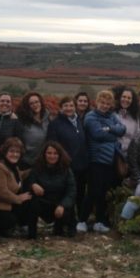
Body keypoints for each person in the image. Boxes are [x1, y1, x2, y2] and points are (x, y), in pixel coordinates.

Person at [81, 90, 126, 234]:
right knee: (93, 191)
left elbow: (122, 129)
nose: (105, 106)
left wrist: (109, 129)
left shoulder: (112, 116)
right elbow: (97, 134)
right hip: (96, 159)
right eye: (102, 103)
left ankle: (99, 221)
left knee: (103, 192)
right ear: (97, 102)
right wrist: (113, 133)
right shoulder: (91, 116)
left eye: (108, 103)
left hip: (109, 160)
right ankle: (82, 220)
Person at [46, 97, 90, 229]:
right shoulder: (55, 124)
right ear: (61, 108)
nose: (69, 108)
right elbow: (52, 145)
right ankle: (64, 221)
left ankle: (79, 220)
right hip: (66, 165)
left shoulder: (79, 121)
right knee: (67, 194)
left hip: (82, 165)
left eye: (71, 105)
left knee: (80, 193)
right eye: (66, 106)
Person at [23, 141, 78, 237]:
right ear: (44, 154)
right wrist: (33, 185)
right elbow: (26, 184)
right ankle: (31, 232)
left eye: (55, 153)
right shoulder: (36, 168)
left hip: (59, 204)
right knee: (31, 202)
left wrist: (62, 205)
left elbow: (71, 191)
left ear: (60, 155)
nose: (52, 156)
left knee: (70, 207)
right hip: (43, 203)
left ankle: (66, 227)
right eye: (49, 153)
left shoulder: (66, 170)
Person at [16, 91, 52, 167]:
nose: (35, 105)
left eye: (36, 102)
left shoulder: (48, 118)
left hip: (44, 162)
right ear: (27, 106)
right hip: (27, 163)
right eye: (31, 103)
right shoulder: (22, 121)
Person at [112, 86, 140, 154]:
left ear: (132, 101)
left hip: (129, 154)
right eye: (124, 97)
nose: (126, 99)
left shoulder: (135, 117)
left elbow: (137, 136)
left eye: (129, 98)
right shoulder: (113, 114)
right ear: (119, 98)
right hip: (114, 153)